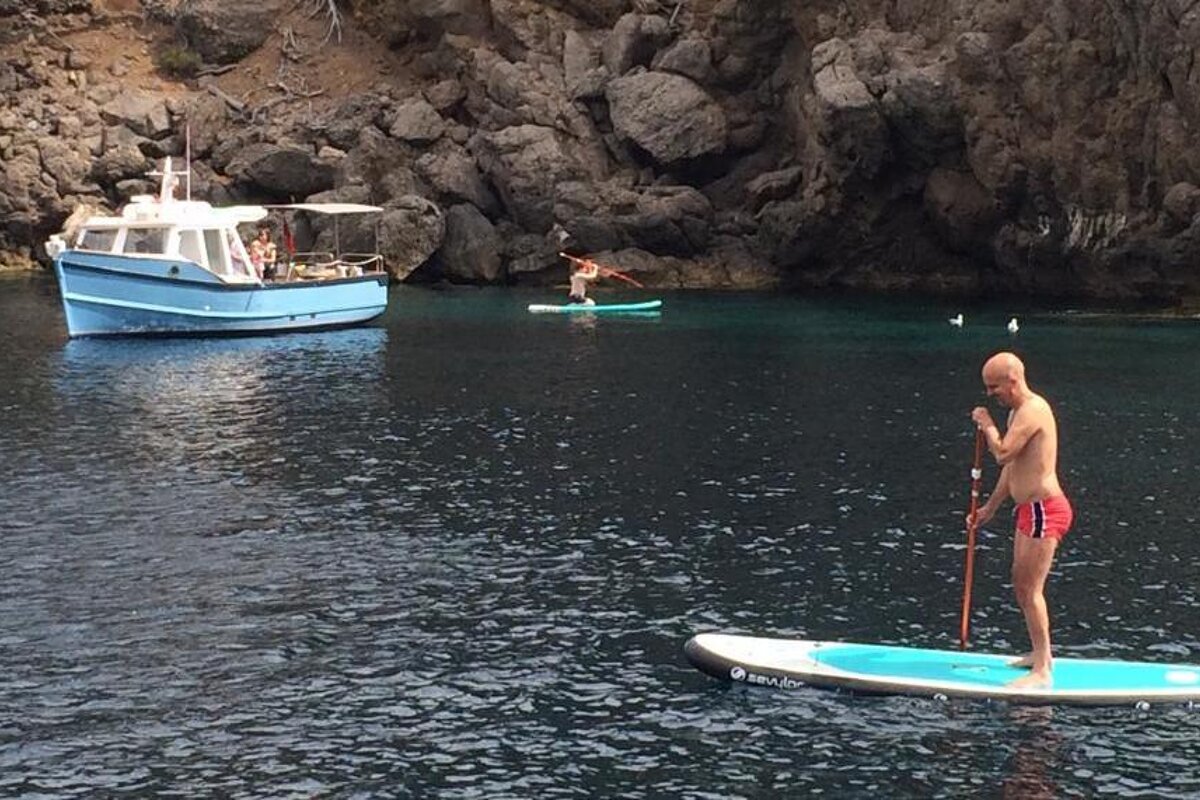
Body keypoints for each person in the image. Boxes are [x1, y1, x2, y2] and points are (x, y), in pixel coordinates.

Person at [969, 352, 1073, 689]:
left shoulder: (1033, 410)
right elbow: (1012, 468)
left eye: (994, 386)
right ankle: (1037, 653)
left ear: (1013, 380)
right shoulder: (1016, 412)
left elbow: (1002, 453)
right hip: (1029, 510)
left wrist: (986, 424)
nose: (991, 394)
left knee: (1030, 589)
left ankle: (1043, 669)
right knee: (1020, 584)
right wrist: (991, 508)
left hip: (1046, 509)